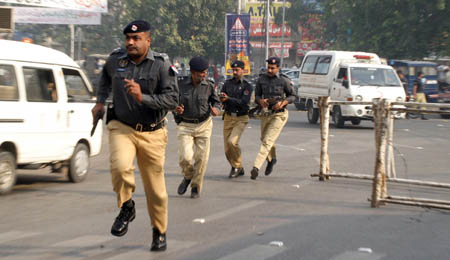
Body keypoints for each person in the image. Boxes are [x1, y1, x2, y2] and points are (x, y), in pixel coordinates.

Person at [91, 20, 178, 252]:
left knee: (155, 190)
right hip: (123, 126)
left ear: (148, 41)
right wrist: (100, 102)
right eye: (128, 38)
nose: (130, 42)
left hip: (153, 132)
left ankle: (159, 231)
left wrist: (144, 98)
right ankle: (127, 206)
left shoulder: (161, 65)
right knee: (119, 167)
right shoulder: (115, 60)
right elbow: (105, 79)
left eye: (136, 38)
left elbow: (172, 100)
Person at [174, 56, 220, 198]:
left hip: (204, 125)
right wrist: (176, 109)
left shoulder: (209, 86)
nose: (204, 75)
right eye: (201, 73)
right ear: (193, 72)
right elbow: (172, 101)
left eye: (206, 72)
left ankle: (195, 187)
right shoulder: (180, 85)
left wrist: (216, 108)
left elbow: (216, 101)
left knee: (201, 159)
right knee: (185, 158)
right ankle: (188, 176)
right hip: (185, 125)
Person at [250, 57, 296, 180]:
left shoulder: (284, 80)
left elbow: (293, 95)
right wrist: (261, 101)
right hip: (266, 113)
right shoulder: (261, 79)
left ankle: (256, 167)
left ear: (278, 68)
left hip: (279, 114)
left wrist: (282, 103)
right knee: (265, 139)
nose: (269, 70)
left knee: (267, 141)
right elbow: (257, 96)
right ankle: (272, 159)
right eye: (268, 67)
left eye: (272, 68)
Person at [220, 60, 253, 178]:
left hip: (241, 117)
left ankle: (236, 166)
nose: (234, 72)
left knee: (232, 142)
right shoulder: (227, 83)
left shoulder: (247, 86)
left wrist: (228, 99)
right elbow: (222, 95)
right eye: (233, 70)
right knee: (227, 148)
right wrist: (222, 99)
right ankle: (238, 167)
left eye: (237, 70)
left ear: (243, 70)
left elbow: (244, 103)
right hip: (228, 117)